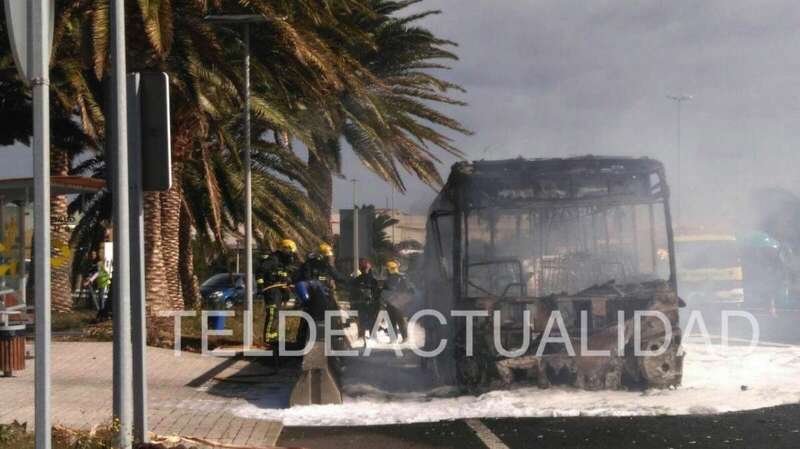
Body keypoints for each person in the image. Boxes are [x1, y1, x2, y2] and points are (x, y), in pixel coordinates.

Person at [258, 239, 301, 347]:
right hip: (271, 290)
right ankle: (267, 340)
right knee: (272, 314)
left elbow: (284, 277)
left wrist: (287, 287)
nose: (291, 255)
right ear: (285, 249)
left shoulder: (283, 262)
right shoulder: (274, 259)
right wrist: (261, 286)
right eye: (290, 252)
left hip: (278, 291)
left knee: (276, 315)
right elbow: (260, 271)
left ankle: (273, 339)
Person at [381, 260, 410, 341]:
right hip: (397, 303)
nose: (387, 271)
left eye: (388, 269)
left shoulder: (391, 279)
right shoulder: (401, 278)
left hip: (393, 303)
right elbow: (407, 290)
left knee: (394, 320)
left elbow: (384, 292)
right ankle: (403, 337)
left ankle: (397, 338)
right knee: (398, 320)